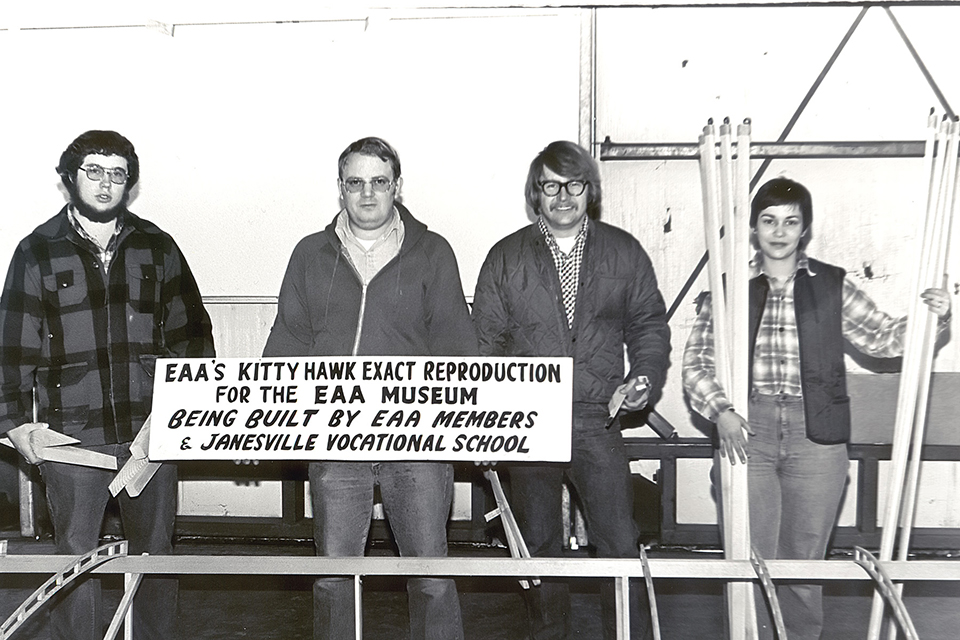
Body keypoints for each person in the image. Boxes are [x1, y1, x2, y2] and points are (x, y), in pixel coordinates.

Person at [682, 176, 951, 639]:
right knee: (749, 557)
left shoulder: (831, 284)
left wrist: (936, 316)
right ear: (754, 228)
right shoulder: (730, 289)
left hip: (818, 434)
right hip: (747, 429)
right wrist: (720, 410)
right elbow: (696, 361)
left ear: (804, 229)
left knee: (804, 560)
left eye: (791, 222)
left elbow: (883, 338)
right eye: (769, 220)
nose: (779, 231)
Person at [0, 130, 215, 640]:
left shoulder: (158, 247)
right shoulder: (36, 251)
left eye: (117, 174)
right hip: (71, 440)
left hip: (151, 433)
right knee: (75, 558)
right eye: (94, 171)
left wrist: (186, 417)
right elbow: (12, 349)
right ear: (69, 178)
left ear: (129, 184)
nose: (105, 183)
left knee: (155, 556)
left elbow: (192, 338)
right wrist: (14, 424)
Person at [262, 136, 476, 640]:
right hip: (334, 443)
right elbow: (287, 342)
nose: (367, 194)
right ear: (340, 188)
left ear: (397, 187)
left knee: (430, 572)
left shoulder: (433, 252)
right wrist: (259, 421)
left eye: (379, 182)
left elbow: (457, 346)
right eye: (355, 182)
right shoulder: (310, 254)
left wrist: (473, 426)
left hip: (419, 442)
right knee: (334, 575)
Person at [472, 140, 670, 640]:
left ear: (590, 190)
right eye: (551, 186)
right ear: (535, 193)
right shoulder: (505, 257)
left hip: (597, 419)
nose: (563, 197)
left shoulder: (623, 251)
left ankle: (624, 634)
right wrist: (489, 421)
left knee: (618, 542)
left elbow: (648, 324)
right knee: (539, 546)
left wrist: (643, 377)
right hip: (528, 423)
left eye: (574, 185)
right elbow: (485, 343)